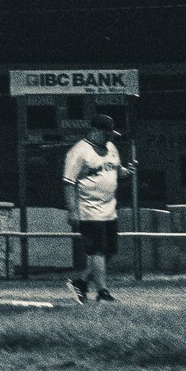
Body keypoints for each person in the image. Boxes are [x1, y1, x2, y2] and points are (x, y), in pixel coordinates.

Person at [63, 112, 133, 303]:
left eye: (111, 133)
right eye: (106, 133)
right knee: (97, 251)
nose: (110, 137)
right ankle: (102, 292)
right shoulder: (78, 152)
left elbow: (116, 170)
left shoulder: (111, 147)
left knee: (108, 252)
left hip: (110, 209)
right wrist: (72, 210)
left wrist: (126, 172)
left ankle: (81, 283)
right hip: (89, 209)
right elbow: (69, 183)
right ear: (94, 130)